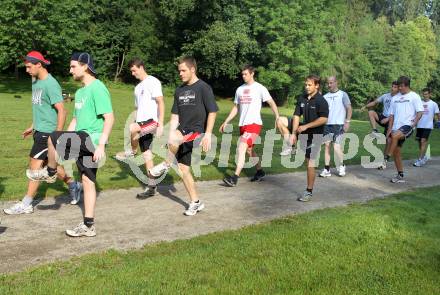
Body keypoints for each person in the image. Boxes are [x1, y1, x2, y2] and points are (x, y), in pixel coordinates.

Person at [27, 52, 114, 237]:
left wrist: (101, 145)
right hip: (82, 139)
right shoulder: (81, 91)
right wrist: (66, 137)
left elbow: (109, 118)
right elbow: (75, 119)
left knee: (52, 137)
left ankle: (49, 172)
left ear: (85, 66)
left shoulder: (97, 88)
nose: (70, 70)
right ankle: (89, 225)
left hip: (92, 140)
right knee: (88, 181)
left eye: (73, 66)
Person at [3, 51, 81, 215]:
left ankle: (27, 203)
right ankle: (74, 185)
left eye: (29, 66)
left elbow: (62, 111)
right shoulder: (36, 82)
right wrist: (33, 126)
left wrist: (57, 136)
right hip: (39, 130)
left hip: (48, 133)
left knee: (35, 167)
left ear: (39, 64)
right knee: (47, 165)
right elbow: (41, 108)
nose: (27, 70)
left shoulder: (50, 84)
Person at [148, 56, 218, 216]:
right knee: (183, 169)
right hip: (181, 131)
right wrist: (170, 133)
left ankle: (166, 163)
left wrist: (207, 134)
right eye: (179, 70)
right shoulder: (179, 90)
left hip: (196, 130)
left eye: (183, 70)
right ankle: (196, 202)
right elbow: (174, 116)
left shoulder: (203, 88)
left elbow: (213, 112)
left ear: (193, 69)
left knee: (175, 143)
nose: (180, 73)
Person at [220, 65, 280, 187]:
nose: (243, 76)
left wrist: (277, 117)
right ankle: (260, 171)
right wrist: (226, 121)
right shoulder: (239, 89)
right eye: (242, 74)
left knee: (241, 147)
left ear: (252, 74)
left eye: (246, 74)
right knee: (248, 150)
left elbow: (271, 102)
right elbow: (236, 107)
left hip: (254, 124)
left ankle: (234, 178)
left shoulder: (260, 88)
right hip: (243, 124)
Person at [115, 58, 165, 198]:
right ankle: (152, 187)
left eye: (134, 70)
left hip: (152, 122)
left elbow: (161, 102)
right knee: (147, 155)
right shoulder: (137, 88)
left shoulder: (153, 81)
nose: (132, 73)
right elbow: (137, 109)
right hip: (142, 124)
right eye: (131, 71)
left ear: (141, 67)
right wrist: (136, 120)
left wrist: (160, 123)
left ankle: (131, 151)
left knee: (132, 128)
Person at [290, 75, 328, 202]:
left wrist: (306, 126)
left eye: (309, 85)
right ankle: (292, 146)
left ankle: (309, 191)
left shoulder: (321, 101)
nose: (306, 87)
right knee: (281, 121)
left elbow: (324, 119)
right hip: (303, 132)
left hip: (316, 135)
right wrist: (294, 133)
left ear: (316, 85)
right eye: (305, 84)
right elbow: (296, 115)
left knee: (310, 162)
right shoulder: (302, 97)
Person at [385, 76, 423, 183]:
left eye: (401, 86)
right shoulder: (395, 98)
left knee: (395, 136)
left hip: (408, 125)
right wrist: (389, 130)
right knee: (397, 152)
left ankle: (387, 157)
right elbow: (391, 116)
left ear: (406, 86)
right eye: (398, 86)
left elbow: (420, 112)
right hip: (396, 127)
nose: (399, 88)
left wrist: (413, 124)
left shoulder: (414, 96)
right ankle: (400, 174)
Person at [361, 81, 399, 169]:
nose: (392, 88)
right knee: (371, 112)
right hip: (383, 117)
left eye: (395, 87)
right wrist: (365, 106)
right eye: (392, 86)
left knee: (388, 141)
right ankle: (375, 130)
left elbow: (398, 113)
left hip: (392, 121)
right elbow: (374, 102)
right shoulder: (385, 96)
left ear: (398, 89)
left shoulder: (399, 99)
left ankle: (384, 161)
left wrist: (388, 118)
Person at [319, 76, 352, 177]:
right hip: (327, 125)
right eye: (328, 83)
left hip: (338, 125)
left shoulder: (343, 94)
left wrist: (347, 122)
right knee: (327, 146)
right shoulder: (325, 96)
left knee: (336, 146)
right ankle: (327, 169)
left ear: (336, 82)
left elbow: (349, 108)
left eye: (331, 83)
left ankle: (342, 165)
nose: (329, 85)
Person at [413, 87, 439, 167]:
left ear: (430, 94)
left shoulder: (433, 104)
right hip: (419, 126)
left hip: (428, 126)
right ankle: (424, 156)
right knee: (419, 142)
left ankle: (420, 159)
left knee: (423, 141)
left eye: (426, 94)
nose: (425, 96)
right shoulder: (419, 103)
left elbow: (438, 114)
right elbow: (416, 113)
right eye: (423, 94)